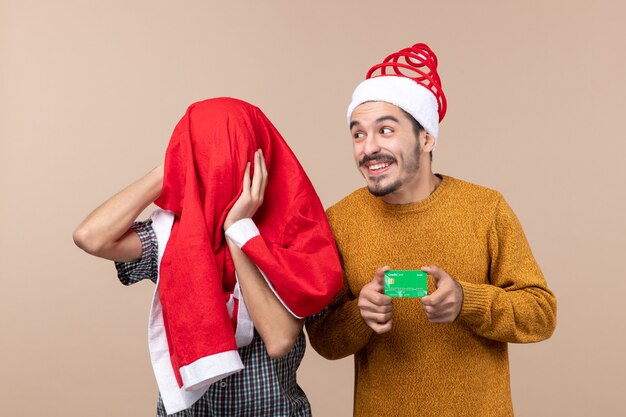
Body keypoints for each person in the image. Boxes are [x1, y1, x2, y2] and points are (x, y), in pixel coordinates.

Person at [305, 43, 557, 417]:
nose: (368, 148)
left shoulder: (485, 209)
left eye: (385, 130)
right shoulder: (339, 221)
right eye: (357, 135)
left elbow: (541, 314)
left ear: (427, 138)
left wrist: (466, 301)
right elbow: (324, 340)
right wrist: (361, 315)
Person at [73, 97, 342, 416]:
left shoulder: (291, 234)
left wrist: (237, 230)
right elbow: (90, 236)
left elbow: (279, 339)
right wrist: (172, 167)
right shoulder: (173, 235)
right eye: (206, 157)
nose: (218, 168)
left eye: (230, 156)